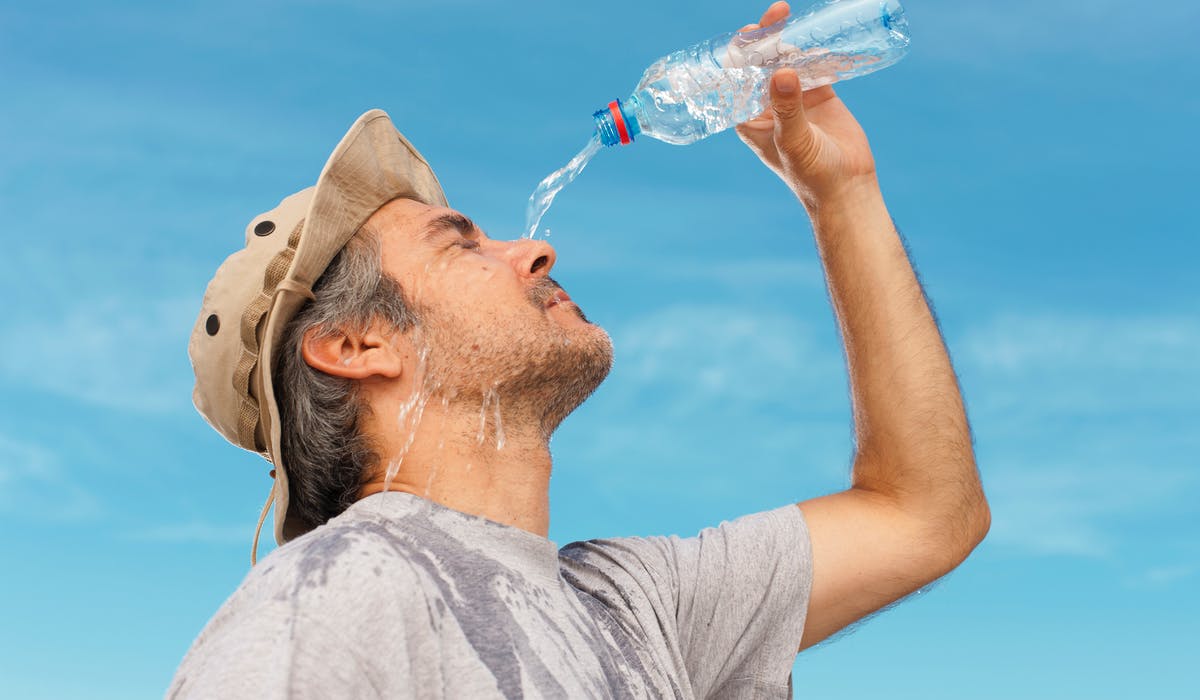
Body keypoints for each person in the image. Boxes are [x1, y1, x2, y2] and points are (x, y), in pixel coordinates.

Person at [170, 3, 989, 697]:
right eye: (461, 246)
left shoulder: (633, 605)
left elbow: (924, 515)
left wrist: (839, 190)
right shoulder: (338, 592)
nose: (533, 253)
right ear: (356, 343)